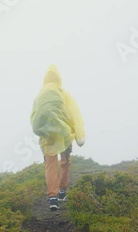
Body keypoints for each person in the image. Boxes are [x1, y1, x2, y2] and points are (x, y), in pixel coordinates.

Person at [30, 65, 85, 211]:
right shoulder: (63, 93)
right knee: (65, 161)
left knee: (50, 165)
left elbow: (33, 116)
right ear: (59, 79)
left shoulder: (39, 95)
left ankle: (52, 197)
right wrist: (80, 135)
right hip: (64, 133)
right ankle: (62, 191)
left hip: (47, 136)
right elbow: (75, 114)